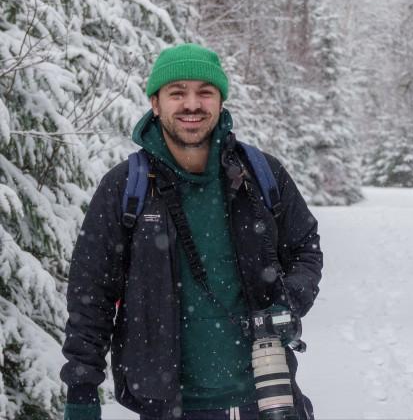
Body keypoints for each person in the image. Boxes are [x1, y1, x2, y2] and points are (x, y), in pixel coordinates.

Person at [60, 43, 323, 420]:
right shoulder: (126, 188)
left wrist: (288, 302)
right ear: (156, 102)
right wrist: (81, 390)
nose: (192, 104)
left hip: (267, 398)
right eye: (177, 92)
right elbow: (91, 296)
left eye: (205, 92)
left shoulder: (260, 174)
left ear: (220, 101)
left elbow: (305, 249)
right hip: (169, 407)